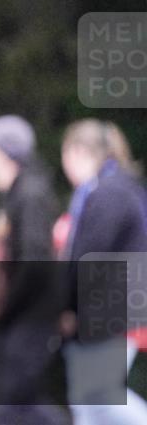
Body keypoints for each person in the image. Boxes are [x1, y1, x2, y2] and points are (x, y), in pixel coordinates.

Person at [0, 114, 69, 425]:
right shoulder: (15, 194)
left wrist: (8, 308)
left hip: (31, 317)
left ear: (6, 152)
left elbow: (36, 264)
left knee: (15, 407)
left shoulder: (31, 194)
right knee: (13, 408)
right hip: (20, 319)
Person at [59, 119, 147, 425]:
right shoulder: (116, 189)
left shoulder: (108, 193)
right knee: (87, 404)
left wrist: (67, 306)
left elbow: (87, 259)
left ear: (77, 152)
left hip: (110, 313)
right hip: (108, 312)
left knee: (99, 398)